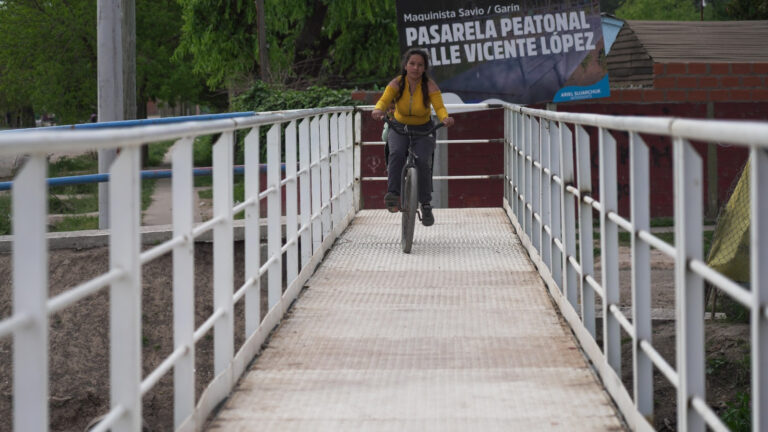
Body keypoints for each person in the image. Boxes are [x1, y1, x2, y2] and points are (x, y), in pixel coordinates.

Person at [371, 48, 454, 227]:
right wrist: (378, 109)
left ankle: (425, 204)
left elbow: (439, 107)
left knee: (423, 160)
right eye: (412, 64)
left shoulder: (430, 85)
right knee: (397, 152)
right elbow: (384, 100)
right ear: (406, 65)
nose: (416, 68)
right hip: (399, 126)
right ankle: (393, 194)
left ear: (424, 68)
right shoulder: (397, 83)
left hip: (423, 129)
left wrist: (445, 118)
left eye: (420, 65)